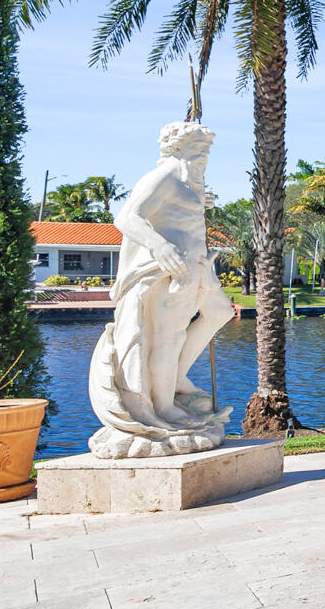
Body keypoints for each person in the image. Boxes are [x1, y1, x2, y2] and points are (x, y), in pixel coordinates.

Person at [88, 121, 234, 457]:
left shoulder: (187, 180)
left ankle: (176, 379)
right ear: (177, 147)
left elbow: (181, 213)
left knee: (220, 313)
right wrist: (159, 246)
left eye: (207, 148)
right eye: (199, 147)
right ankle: (164, 406)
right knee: (168, 337)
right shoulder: (165, 175)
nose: (206, 154)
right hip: (171, 269)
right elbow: (127, 217)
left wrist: (201, 200)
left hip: (197, 265)